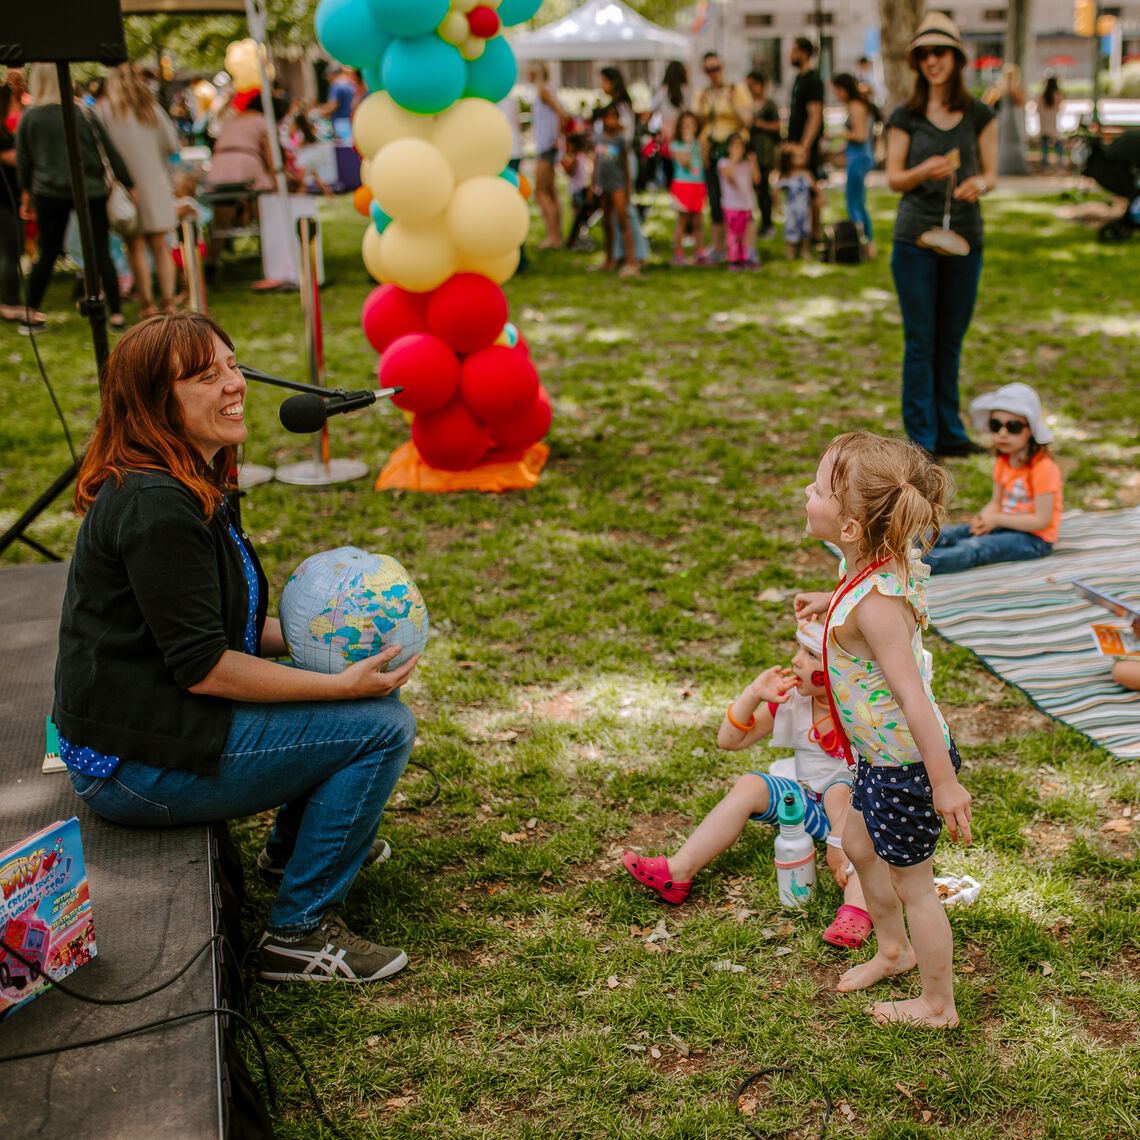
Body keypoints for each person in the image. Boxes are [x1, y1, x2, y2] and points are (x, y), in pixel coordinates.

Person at [53, 312, 419, 983]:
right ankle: (298, 934)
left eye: (231, 365)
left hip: (154, 728)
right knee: (380, 726)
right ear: (157, 404)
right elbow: (204, 666)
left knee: (368, 697)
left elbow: (220, 630)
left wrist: (339, 644)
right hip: (132, 767)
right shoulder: (157, 506)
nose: (234, 385)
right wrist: (341, 687)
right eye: (204, 376)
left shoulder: (185, 478)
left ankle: (293, 852)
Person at [796, 431, 972, 1028]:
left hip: (908, 766)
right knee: (859, 846)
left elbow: (913, 699)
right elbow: (866, 598)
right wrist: (832, 601)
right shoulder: (869, 566)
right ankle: (893, 952)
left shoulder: (874, 608)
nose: (808, 493)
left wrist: (944, 786)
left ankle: (937, 1003)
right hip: (878, 758)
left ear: (849, 526)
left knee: (914, 883)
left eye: (819, 490)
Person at [622, 619, 872, 950]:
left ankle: (856, 910)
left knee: (843, 798)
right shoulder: (793, 700)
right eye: (798, 648)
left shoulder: (866, 709)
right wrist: (753, 694)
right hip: (807, 802)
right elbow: (729, 740)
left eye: (811, 654)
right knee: (750, 784)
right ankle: (678, 871)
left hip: (858, 811)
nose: (796, 660)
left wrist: (839, 843)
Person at [885, 13, 997, 459]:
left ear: (956, 58)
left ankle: (950, 431)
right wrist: (921, 171)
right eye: (925, 54)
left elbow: (990, 172)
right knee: (920, 340)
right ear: (917, 62)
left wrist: (980, 185)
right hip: (915, 239)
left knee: (950, 339)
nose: (933, 61)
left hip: (965, 238)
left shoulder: (978, 113)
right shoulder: (905, 116)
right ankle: (922, 439)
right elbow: (893, 178)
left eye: (941, 52)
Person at [16, 63, 131, 330]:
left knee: (48, 251)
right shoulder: (82, 112)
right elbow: (109, 150)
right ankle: (115, 313)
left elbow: (24, 162)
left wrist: (26, 195)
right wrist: (127, 182)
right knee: (100, 249)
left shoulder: (30, 117)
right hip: (88, 189)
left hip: (48, 191)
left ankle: (31, 311)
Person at [924, 383, 1062, 574]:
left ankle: (914, 566)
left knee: (974, 548)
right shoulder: (1004, 461)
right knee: (954, 533)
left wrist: (996, 520)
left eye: (1013, 427)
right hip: (1005, 525)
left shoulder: (1044, 468)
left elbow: (1041, 521)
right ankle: (898, 548)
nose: (1002, 433)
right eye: (996, 426)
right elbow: (996, 502)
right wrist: (985, 518)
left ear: (1030, 430)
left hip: (1034, 539)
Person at [97, 64, 181, 319]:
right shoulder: (151, 109)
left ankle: (147, 303)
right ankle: (168, 300)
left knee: (134, 246)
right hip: (155, 182)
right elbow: (172, 144)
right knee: (160, 246)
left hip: (124, 186)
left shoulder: (103, 111)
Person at [201, 91, 276, 275]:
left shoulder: (232, 120)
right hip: (245, 163)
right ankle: (274, 255)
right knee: (267, 206)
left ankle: (212, 259)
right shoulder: (262, 120)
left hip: (219, 167)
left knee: (221, 217)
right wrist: (275, 177)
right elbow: (270, 154)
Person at [693, 52, 750, 263]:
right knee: (715, 200)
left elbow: (746, 120)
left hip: (732, 153)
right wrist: (700, 106)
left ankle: (740, 246)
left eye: (715, 68)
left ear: (722, 67)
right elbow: (694, 123)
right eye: (708, 70)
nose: (713, 74)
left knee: (736, 200)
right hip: (710, 150)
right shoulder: (703, 93)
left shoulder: (736, 89)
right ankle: (717, 246)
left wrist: (731, 101)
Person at [598, 67, 649, 266]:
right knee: (613, 212)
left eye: (604, 81)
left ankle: (638, 253)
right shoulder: (614, 107)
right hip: (610, 165)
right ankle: (620, 253)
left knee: (625, 209)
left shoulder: (622, 108)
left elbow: (625, 137)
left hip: (622, 162)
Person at [832, 73, 877, 258]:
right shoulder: (858, 105)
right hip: (858, 156)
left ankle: (861, 245)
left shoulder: (855, 106)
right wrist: (836, 151)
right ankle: (868, 245)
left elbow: (859, 135)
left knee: (854, 204)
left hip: (859, 159)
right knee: (859, 203)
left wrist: (838, 133)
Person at [592, 103, 639, 278]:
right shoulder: (598, 139)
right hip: (603, 184)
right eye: (608, 117)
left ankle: (631, 260)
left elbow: (626, 165)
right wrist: (593, 184)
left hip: (618, 184)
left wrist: (627, 188)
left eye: (614, 117)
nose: (611, 120)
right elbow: (595, 163)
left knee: (622, 220)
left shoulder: (620, 140)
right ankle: (609, 259)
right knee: (607, 223)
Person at [787, 37, 825, 240]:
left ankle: (816, 234)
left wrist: (805, 146)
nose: (790, 55)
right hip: (795, 145)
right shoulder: (798, 79)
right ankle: (801, 230)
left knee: (813, 190)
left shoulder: (813, 80)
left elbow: (815, 115)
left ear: (803, 53)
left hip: (806, 147)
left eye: (793, 50)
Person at [529, 62, 566, 250]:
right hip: (548, 145)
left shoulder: (544, 91)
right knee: (551, 191)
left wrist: (556, 136)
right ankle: (556, 235)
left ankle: (552, 236)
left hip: (546, 147)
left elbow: (560, 112)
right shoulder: (548, 89)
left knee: (540, 192)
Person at [745, 71, 780, 240]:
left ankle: (767, 224)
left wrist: (759, 124)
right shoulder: (747, 103)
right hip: (751, 151)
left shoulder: (769, 104)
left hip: (765, 152)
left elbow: (778, 126)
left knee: (764, 188)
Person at [668, 110, 706, 265]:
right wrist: (690, 145)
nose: (689, 129)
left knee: (698, 222)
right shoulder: (676, 145)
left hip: (698, 185)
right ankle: (678, 253)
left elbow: (705, 163)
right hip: (683, 186)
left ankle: (699, 252)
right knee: (682, 221)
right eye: (685, 126)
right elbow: (685, 162)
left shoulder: (700, 144)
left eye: (691, 126)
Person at [0, 85, 24, 323]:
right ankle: (9, 302)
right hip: (4, 202)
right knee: (9, 252)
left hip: (8, 201)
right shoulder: (2, 135)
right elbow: (13, 158)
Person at [718, 132, 757, 270]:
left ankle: (746, 257)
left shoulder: (746, 164)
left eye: (740, 146)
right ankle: (733, 259)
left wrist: (753, 163)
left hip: (746, 205)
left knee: (745, 234)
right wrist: (734, 160)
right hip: (731, 205)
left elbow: (756, 180)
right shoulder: (724, 163)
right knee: (733, 234)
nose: (737, 149)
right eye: (734, 146)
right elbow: (729, 177)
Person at [777, 144, 816, 260]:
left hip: (805, 209)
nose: (800, 158)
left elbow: (816, 189)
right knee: (791, 230)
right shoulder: (786, 176)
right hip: (792, 209)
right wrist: (777, 205)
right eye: (796, 156)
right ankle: (791, 252)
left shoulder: (806, 175)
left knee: (805, 230)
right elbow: (776, 190)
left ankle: (804, 251)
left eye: (801, 156)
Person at [561, 132, 595, 249]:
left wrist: (564, 165)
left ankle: (576, 239)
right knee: (580, 217)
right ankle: (579, 237)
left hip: (577, 191)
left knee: (577, 216)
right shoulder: (584, 157)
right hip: (582, 189)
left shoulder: (576, 159)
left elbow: (570, 172)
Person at [1038, 76, 1064, 171]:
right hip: (1054, 126)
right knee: (1059, 147)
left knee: (1045, 148)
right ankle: (1059, 165)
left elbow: (1039, 112)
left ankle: (1045, 166)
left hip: (1045, 126)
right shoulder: (1057, 95)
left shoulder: (1043, 97)